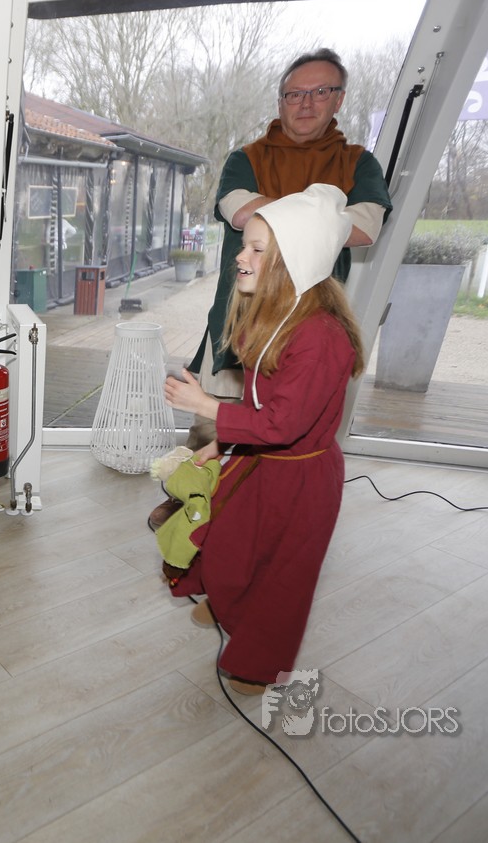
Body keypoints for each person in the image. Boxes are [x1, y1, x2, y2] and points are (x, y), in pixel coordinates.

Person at [150, 47, 390, 530]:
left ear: (339, 99)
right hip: (240, 310)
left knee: (285, 413)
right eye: (294, 94)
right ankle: (190, 500)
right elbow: (240, 211)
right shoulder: (247, 158)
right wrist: (322, 215)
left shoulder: (358, 162)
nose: (306, 103)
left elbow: (366, 227)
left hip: (303, 313)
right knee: (213, 417)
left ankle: (246, 512)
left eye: (320, 91)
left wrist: (275, 209)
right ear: (280, 101)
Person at [162, 183, 365, 695]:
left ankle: (260, 662)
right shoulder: (278, 318)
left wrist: (207, 407)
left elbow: (283, 424)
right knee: (230, 540)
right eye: (243, 246)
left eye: (256, 249)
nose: (241, 257)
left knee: (282, 578)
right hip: (261, 459)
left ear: (294, 262)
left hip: (301, 480)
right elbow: (262, 409)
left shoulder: (321, 339)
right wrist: (224, 443)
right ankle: (227, 601)